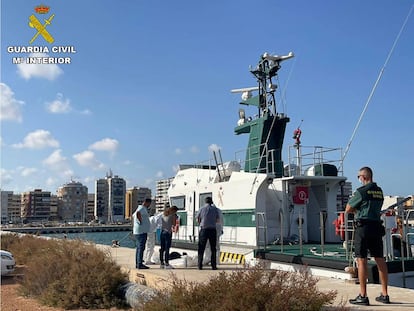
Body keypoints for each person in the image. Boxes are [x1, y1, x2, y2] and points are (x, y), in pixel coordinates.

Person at [345, 167, 389, 306]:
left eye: (359, 176)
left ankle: (363, 295)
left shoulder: (361, 191)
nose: (358, 179)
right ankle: (385, 294)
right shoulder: (379, 191)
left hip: (363, 227)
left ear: (363, 177)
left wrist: (358, 209)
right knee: (380, 260)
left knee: (361, 260)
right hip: (376, 227)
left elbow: (348, 209)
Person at [197, 197, 220, 270]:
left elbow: (198, 219)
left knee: (201, 248)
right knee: (213, 248)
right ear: (211, 202)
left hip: (204, 229)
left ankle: (200, 265)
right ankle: (213, 266)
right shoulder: (215, 209)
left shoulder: (201, 209)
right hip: (212, 229)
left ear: (205, 202)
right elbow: (217, 220)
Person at [132, 198, 152, 269]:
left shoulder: (140, 208)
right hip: (141, 231)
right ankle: (139, 264)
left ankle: (138, 263)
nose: (149, 205)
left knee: (139, 248)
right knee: (141, 247)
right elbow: (138, 213)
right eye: (149, 204)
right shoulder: (142, 208)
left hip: (138, 231)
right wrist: (140, 222)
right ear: (147, 202)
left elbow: (134, 215)